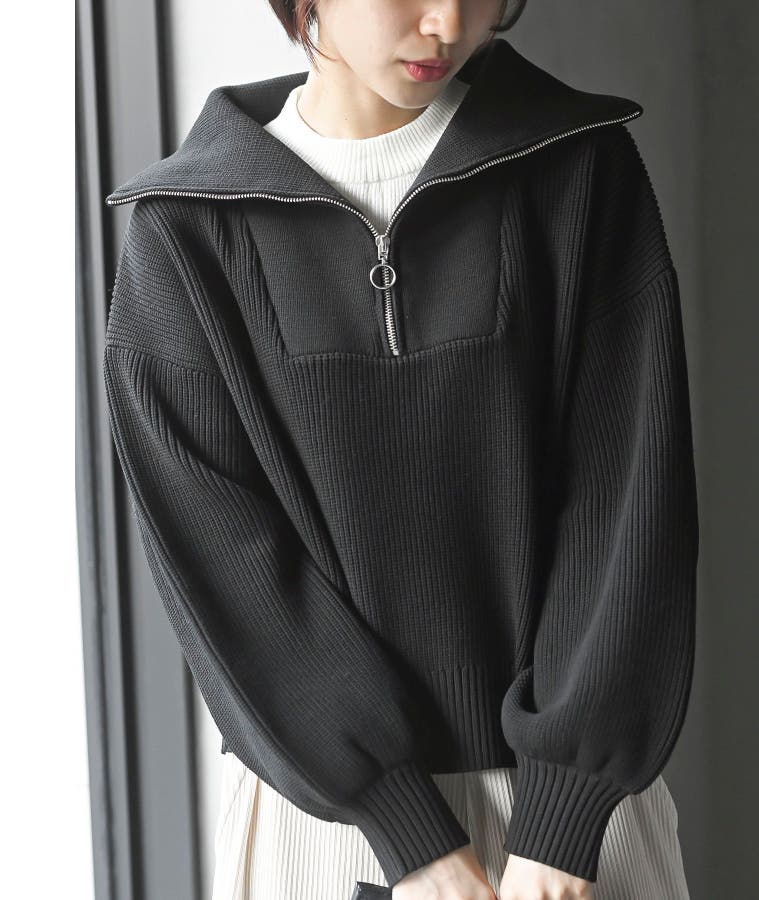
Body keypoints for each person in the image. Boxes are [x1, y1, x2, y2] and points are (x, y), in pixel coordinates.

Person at [102, 2, 699, 898]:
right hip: (327, 827)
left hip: (574, 831)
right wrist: (407, 830)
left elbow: (629, 497)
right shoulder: (185, 231)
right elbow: (227, 565)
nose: (448, 21)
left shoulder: (577, 169)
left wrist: (563, 816)